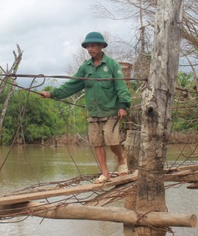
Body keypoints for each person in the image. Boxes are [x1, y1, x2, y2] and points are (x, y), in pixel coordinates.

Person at [40, 31, 131, 183]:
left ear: (101, 46)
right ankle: (105, 173)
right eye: (88, 46)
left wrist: (123, 106)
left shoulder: (112, 65)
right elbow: (72, 85)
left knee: (112, 140)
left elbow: (121, 87)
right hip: (94, 112)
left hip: (111, 111)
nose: (90, 49)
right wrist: (52, 94)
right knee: (97, 143)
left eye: (93, 45)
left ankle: (121, 160)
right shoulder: (85, 68)